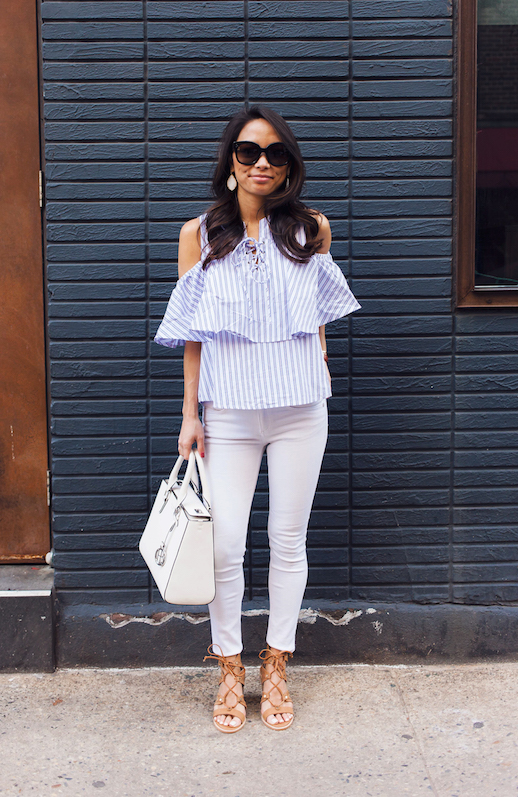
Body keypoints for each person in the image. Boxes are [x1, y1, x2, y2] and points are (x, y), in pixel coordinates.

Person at [154, 106, 360, 732]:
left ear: (289, 165)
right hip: (230, 414)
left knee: (287, 542)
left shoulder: (311, 229)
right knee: (224, 545)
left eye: (274, 154)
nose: (262, 163)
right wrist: (190, 414)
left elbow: (318, 307)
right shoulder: (199, 235)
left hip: (301, 409)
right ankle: (229, 668)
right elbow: (192, 333)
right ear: (231, 163)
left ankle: (276, 666)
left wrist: (318, 352)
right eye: (249, 153)